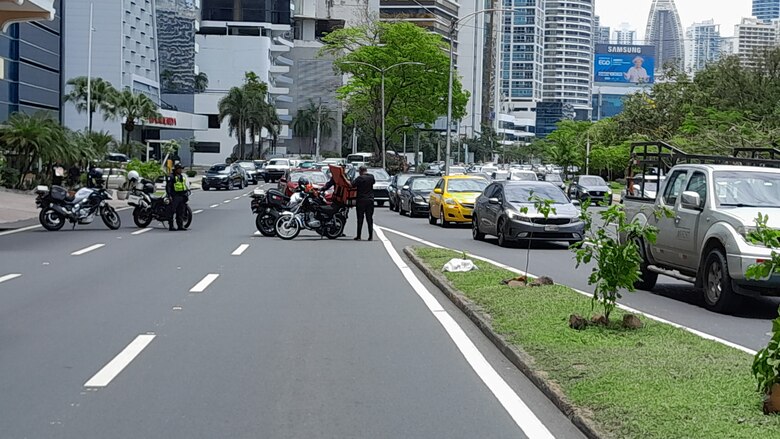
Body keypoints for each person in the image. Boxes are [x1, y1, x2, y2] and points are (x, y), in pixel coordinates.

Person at [352, 166, 375, 241]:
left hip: (361, 200)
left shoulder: (359, 178)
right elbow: (373, 182)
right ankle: (370, 236)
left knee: (360, 219)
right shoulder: (371, 177)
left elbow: (352, 185)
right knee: (369, 219)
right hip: (370, 200)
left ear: (360, 171)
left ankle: (359, 236)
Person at [166, 163, 189, 231]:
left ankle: (180, 226)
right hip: (175, 196)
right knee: (172, 211)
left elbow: (184, 185)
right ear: (176, 169)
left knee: (180, 212)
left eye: (181, 169)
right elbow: (168, 187)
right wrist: (169, 195)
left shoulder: (181, 176)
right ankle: (171, 226)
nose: (180, 170)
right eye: (179, 169)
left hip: (181, 196)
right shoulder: (172, 176)